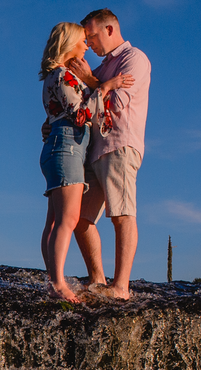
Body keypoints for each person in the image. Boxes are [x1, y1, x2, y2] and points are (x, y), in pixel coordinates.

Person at [39, 22, 132, 303]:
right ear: (68, 44)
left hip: (65, 146)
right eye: (82, 40)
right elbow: (80, 115)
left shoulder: (60, 75)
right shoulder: (61, 75)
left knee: (56, 220)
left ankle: (54, 278)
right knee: (67, 219)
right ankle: (58, 283)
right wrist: (104, 87)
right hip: (66, 147)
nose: (86, 45)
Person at [68, 9, 152, 300]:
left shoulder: (134, 59)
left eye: (91, 35)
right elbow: (88, 107)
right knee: (78, 218)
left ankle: (122, 287)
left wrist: (94, 83)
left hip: (120, 145)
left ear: (110, 30)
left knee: (122, 214)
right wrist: (96, 83)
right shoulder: (103, 69)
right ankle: (97, 280)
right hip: (95, 151)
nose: (88, 42)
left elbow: (115, 102)